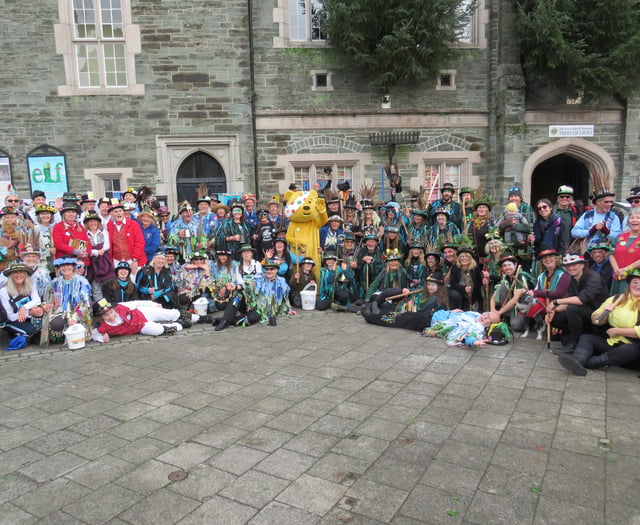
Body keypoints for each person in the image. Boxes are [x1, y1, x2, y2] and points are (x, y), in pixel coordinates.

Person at [557, 269, 640, 376]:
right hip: (614, 343)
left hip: (634, 351)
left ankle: (591, 363)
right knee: (587, 338)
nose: (638, 286)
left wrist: (618, 331)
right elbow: (595, 320)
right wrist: (604, 314)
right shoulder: (616, 299)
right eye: (635, 282)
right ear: (629, 285)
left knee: (629, 349)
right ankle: (577, 361)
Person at [548, 254, 609, 354]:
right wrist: (554, 310)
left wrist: (555, 302)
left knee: (572, 309)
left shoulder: (593, 278)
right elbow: (569, 299)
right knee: (554, 318)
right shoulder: (573, 279)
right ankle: (578, 336)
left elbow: (581, 300)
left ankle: (575, 344)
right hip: (584, 311)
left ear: (582, 265)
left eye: (575, 265)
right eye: (568, 266)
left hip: (598, 315)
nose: (571, 268)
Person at [214, 259, 295, 331]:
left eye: (271, 269)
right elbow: (248, 284)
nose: (269, 271)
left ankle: (224, 320)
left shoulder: (282, 281)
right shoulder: (259, 277)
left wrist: (289, 309)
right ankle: (224, 321)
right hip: (250, 304)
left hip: (261, 310)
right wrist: (236, 286)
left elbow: (285, 297)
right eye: (267, 269)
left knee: (250, 319)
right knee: (239, 294)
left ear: (276, 270)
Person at [362, 272, 449, 330]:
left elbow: (428, 315)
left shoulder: (439, 300)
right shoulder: (424, 293)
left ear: (439, 287)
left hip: (412, 316)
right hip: (404, 308)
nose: (430, 287)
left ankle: (370, 315)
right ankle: (372, 306)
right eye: (428, 284)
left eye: (433, 285)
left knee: (390, 317)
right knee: (386, 297)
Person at [90, 299, 184, 342]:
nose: (110, 316)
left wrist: (152, 304)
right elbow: (94, 334)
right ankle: (180, 325)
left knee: (170, 314)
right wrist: (102, 339)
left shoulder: (120, 306)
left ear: (114, 310)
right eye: (106, 315)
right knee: (158, 331)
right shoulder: (104, 327)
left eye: (111, 312)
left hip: (143, 312)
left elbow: (136, 303)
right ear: (101, 318)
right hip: (140, 327)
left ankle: (196, 317)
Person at [49, 257, 92, 344]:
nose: (65, 268)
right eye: (63, 266)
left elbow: (86, 301)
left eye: (68, 265)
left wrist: (76, 313)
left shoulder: (82, 281)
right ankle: (63, 336)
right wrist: (54, 305)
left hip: (79, 310)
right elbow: (52, 297)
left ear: (73, 267)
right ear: (59, 268)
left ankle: (80, 334)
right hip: (61, 310)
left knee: (77, 320)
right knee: (55, 323)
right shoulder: (55, 282)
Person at [0, 262, 44, 343]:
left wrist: (24, 308)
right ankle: (13, 332)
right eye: (15, 273)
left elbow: (37, 300)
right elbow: (10, 316)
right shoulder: (4, 292)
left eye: (21, 272)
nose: (19, 275)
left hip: (28, 317)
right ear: (11, 276)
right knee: (31, 330)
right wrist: (29, 312)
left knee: (43, 321)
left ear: (25, 274)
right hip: (12, 320)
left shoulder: (31, 284)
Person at [489, 254, 534, 333]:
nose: (507, 268)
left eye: (509, 265)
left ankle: (530, 322)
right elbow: (493, 297)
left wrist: (498, 313)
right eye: (504, 266)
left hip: (524, 308)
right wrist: (493, 311)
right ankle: (507, 316)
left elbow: (515, 299)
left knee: (515, 325)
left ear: (515, 265)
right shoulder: (505, 277)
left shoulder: (521, 276)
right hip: (513, 308)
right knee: (501, 288)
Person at [107, 201, 146, 276]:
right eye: (116, 212)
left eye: (120, 211)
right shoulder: (109, 226)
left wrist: (135, 260)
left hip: (132, 260)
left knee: (134, 282)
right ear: (111, 214)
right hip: (116, 260)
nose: (118, 213)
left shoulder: (133, 224)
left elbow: (140, 243)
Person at [51, 198, 91, 270]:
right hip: (65, 262)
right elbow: (59, 244)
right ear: (63, 214)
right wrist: (74, 251)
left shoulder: (80, 227)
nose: (71, 214)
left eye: (73, 212)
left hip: (81, 262)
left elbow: (88, 243)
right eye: (68, 212)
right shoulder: (58, 227)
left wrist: (86, 253)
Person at [84, 211, 114, 301]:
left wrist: (103, 250)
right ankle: (100, 308)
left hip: (104, 261)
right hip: (92, 263)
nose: (93, 223)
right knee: (96, 288)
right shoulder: (85, 234)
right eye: (90, 221)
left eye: (95, 221)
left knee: (109, 285)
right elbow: (84, 248)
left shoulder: (104, 232)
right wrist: (95, 252)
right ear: (87, 223)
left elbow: (108, 244)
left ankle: (111, 306)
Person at [610, 208, 640, 294]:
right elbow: (611, 254)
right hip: (619, 276)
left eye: (638, 218)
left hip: (636, 279)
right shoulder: (620, 236)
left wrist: (626, 269)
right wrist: (617, 270)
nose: (634, 220)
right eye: (632, 217)